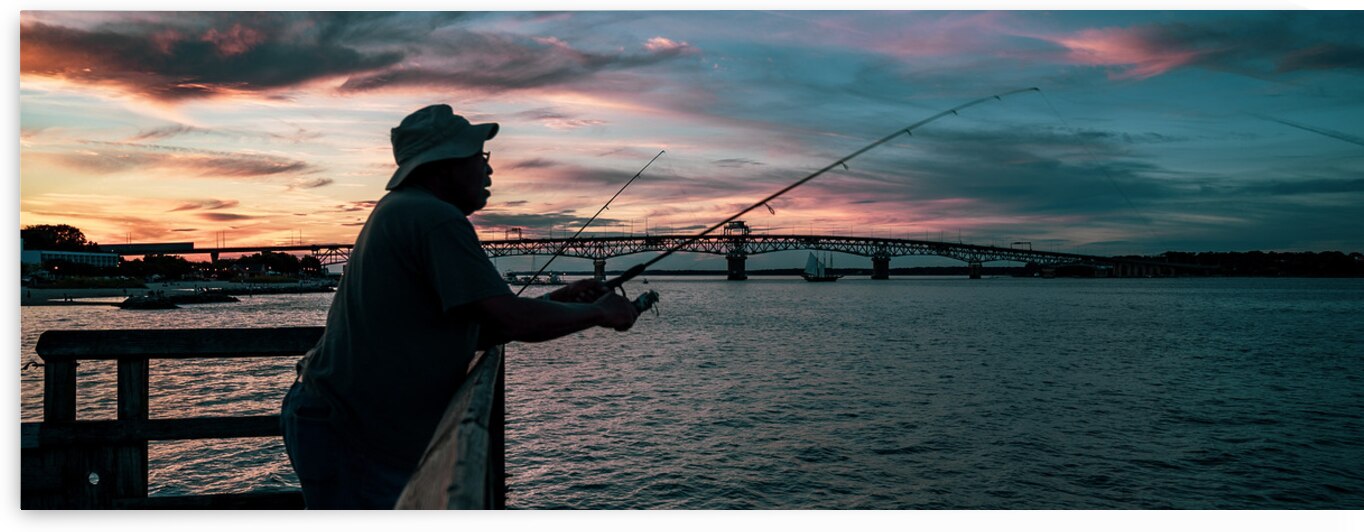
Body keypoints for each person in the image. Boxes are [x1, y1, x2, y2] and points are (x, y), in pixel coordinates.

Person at [280, 104, 641, 509]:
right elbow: (513, 321)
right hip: (353, 431)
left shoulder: (402, 209)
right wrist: (602, 313)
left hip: (341, 419)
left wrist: (557, 300)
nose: (489, 169)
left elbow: (481, 325)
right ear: (444, 165)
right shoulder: (435, 219)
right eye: (478, 157)